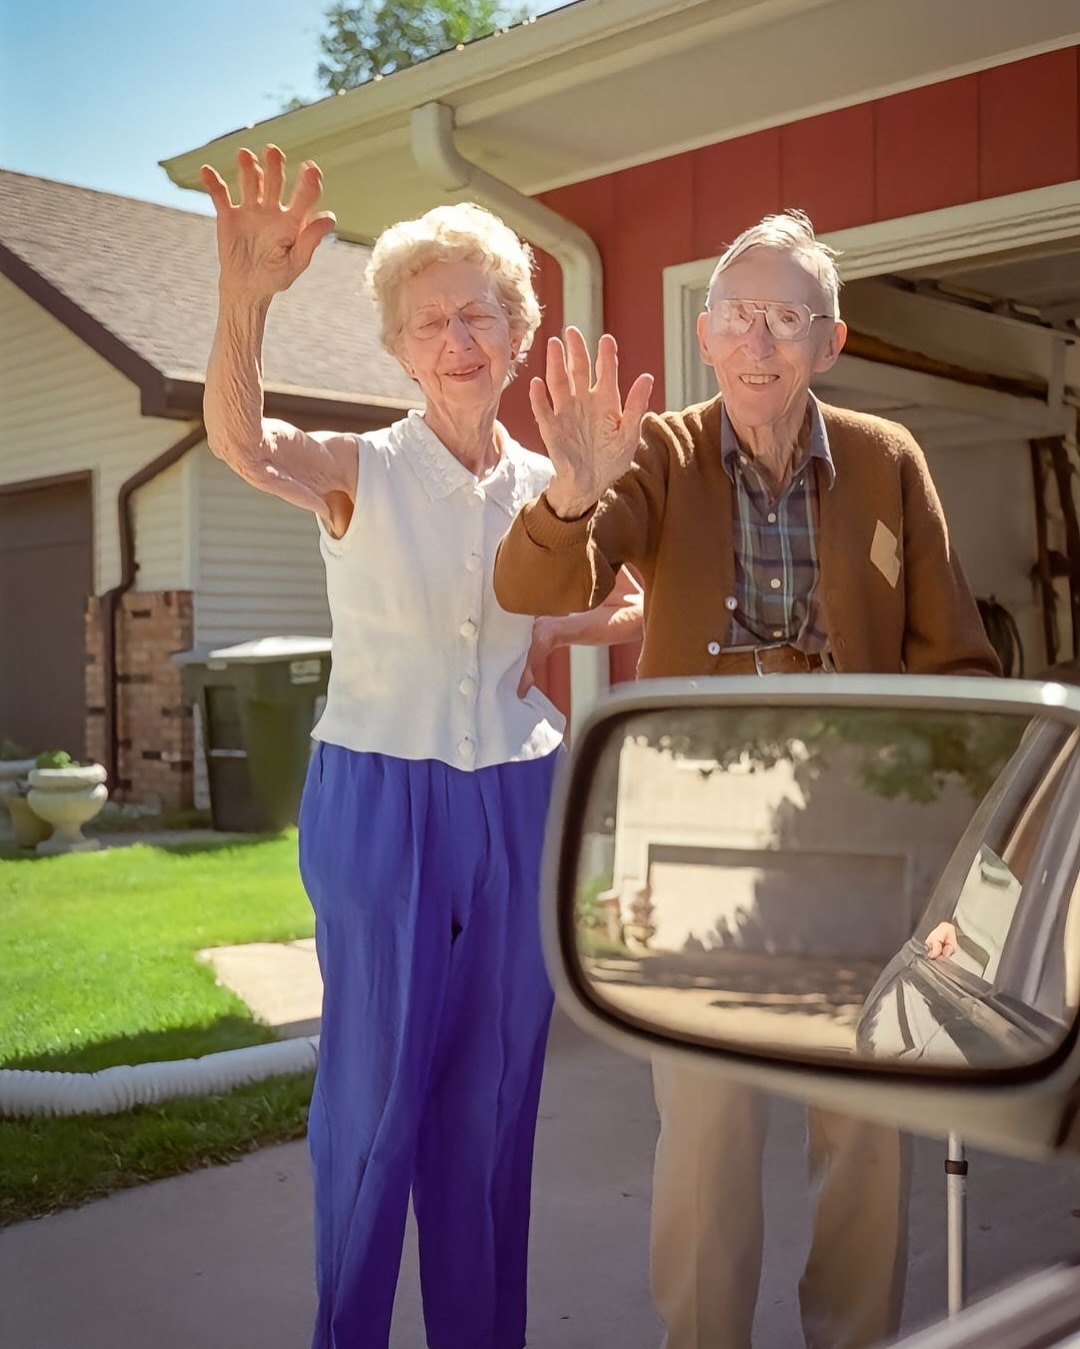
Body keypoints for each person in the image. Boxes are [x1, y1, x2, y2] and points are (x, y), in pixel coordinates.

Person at [493, 209, 1000, 1349]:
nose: (758, 341)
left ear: (831, 341)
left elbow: (957, 668)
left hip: (859, 854)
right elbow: (535, 583)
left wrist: (950, 876)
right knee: (707, 1144)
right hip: (699, 861)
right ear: (706, 335)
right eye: (736, 315)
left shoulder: (885, 459)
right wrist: (574, 489)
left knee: (868, 1138)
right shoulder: (661, 454)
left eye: (786, 317)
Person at [199, 144, 640, 1349]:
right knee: (375, 1099)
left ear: (518, 329)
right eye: (432, 318)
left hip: (517, 792)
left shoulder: (558, 481)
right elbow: (241, 443)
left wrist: (572, 629)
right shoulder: (360, 468)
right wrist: (245, 302)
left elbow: (594, 602)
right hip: (381, 801)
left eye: (481, 312)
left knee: (494, 1102)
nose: (459, 337)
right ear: (399, 347)